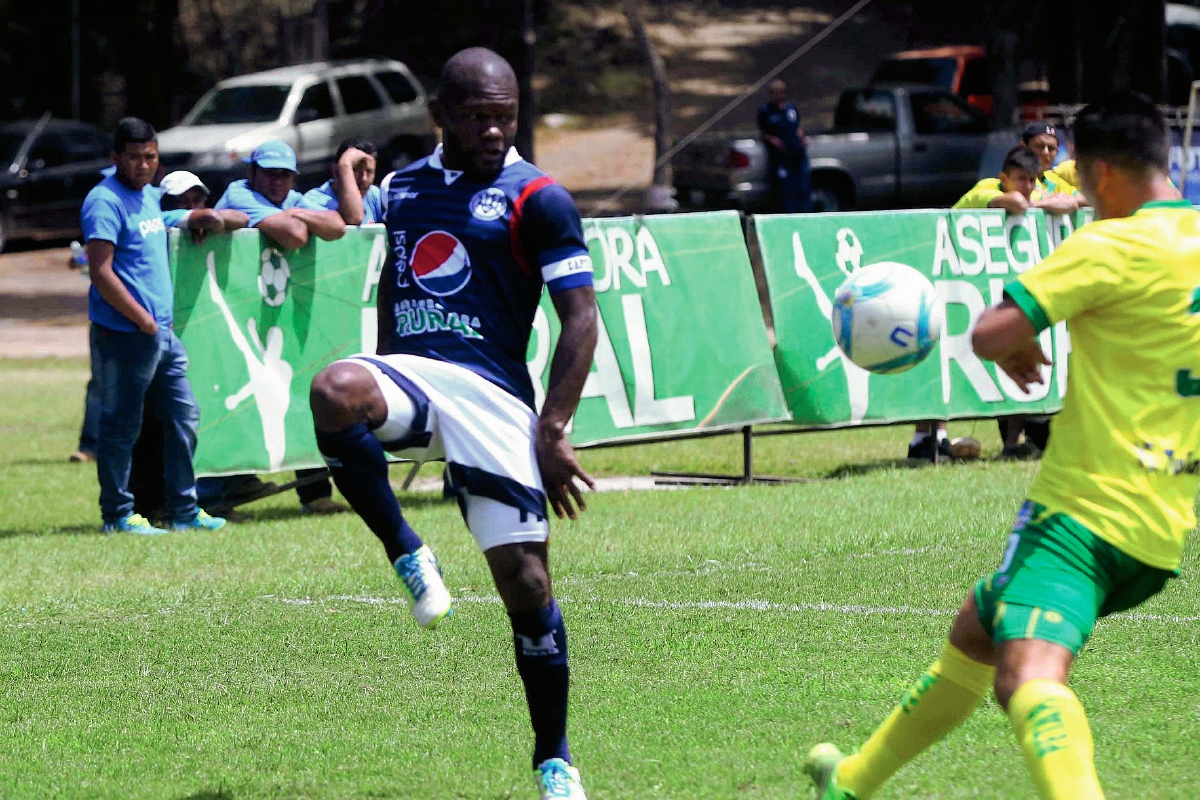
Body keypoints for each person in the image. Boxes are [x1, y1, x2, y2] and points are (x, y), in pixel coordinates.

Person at [804, 91, 1200, 800]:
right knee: (977, 630)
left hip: (1082, 517)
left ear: (1104, 174)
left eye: (1078, 177)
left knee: (1025, 679)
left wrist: (1013, 340)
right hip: (1163, 527)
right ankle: (851, 783)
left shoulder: (1110, 244)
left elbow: (989, 332)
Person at [308, 48, 598, 800]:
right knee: (334, 390)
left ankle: (555, 760)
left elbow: (580, 319)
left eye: (505, 116)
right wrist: (346, 179)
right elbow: (364, 249)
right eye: (477, 117)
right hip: (412, 374)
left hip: (494, 398)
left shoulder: (540, 198)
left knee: (528, 587)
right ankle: (408, 552)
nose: (494, 130)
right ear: (441, 116)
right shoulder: (404, 188)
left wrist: (554, 428)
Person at [81, 117, 226, 534]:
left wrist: (186, 222)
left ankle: (183, 510)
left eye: (150, 157)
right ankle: (118, 515)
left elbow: (155, 230)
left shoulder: (147, 197)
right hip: (125, 334)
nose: (144, 166)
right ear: (116, 158)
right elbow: (101, 272)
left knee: (185, 415)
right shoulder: (103, 201)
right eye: (134, 158)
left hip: (163, 334)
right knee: (121, 427)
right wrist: (141, 319)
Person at [212, 141, 348, 515]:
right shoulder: (239, 194)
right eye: (270, 173)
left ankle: (314, 493)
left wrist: (299, 211)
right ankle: (223, 488)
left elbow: (337, 225)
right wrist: (302, 217)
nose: (277, 182)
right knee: (237, 402)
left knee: (305, 396)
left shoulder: (293, 199)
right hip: (238, 317)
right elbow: (295, 236)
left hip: (284, 319)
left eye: (285, 175)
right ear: (252, 172)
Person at [951, 145, 1052, 459]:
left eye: (1033, 180)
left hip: (1001, 281)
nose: (1027, 186)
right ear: (1003, 177)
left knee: (1019, 356)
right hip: (957, 283)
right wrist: (1039, 200)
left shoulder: (1036, 191)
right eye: (1021, 178)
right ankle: (930, 441)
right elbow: (1018, 203)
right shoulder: (985, 188)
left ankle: (1013, 444)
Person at [299, 138, 384, 225]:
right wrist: (345, 164)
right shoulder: (313, 201)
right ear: (336, 171)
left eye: (369, 172)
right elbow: (354, 218)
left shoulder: (373, 194)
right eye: (355, 170)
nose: (364, 179)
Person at [757, 80, 812, 213]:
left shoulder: (791, 109)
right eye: (776, 93)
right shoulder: (766, 111)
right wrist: (773, 140)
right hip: (781, 156)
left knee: (804, 186)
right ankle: (790, 214)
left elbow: (798, 127)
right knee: (787, 189)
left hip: (798, 154)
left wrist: (802, 137)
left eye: (782, 92)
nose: (780, 96)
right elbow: (763, 133)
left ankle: (806, 213)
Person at [160, 170, 250, 242]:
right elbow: (212, 218)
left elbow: (244, 218)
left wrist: (205, 223)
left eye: (198, 199)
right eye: (183, 200)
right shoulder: (162, 219)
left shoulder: (207, 218)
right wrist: (205, 219)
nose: (192, 206)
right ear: (166, 204)